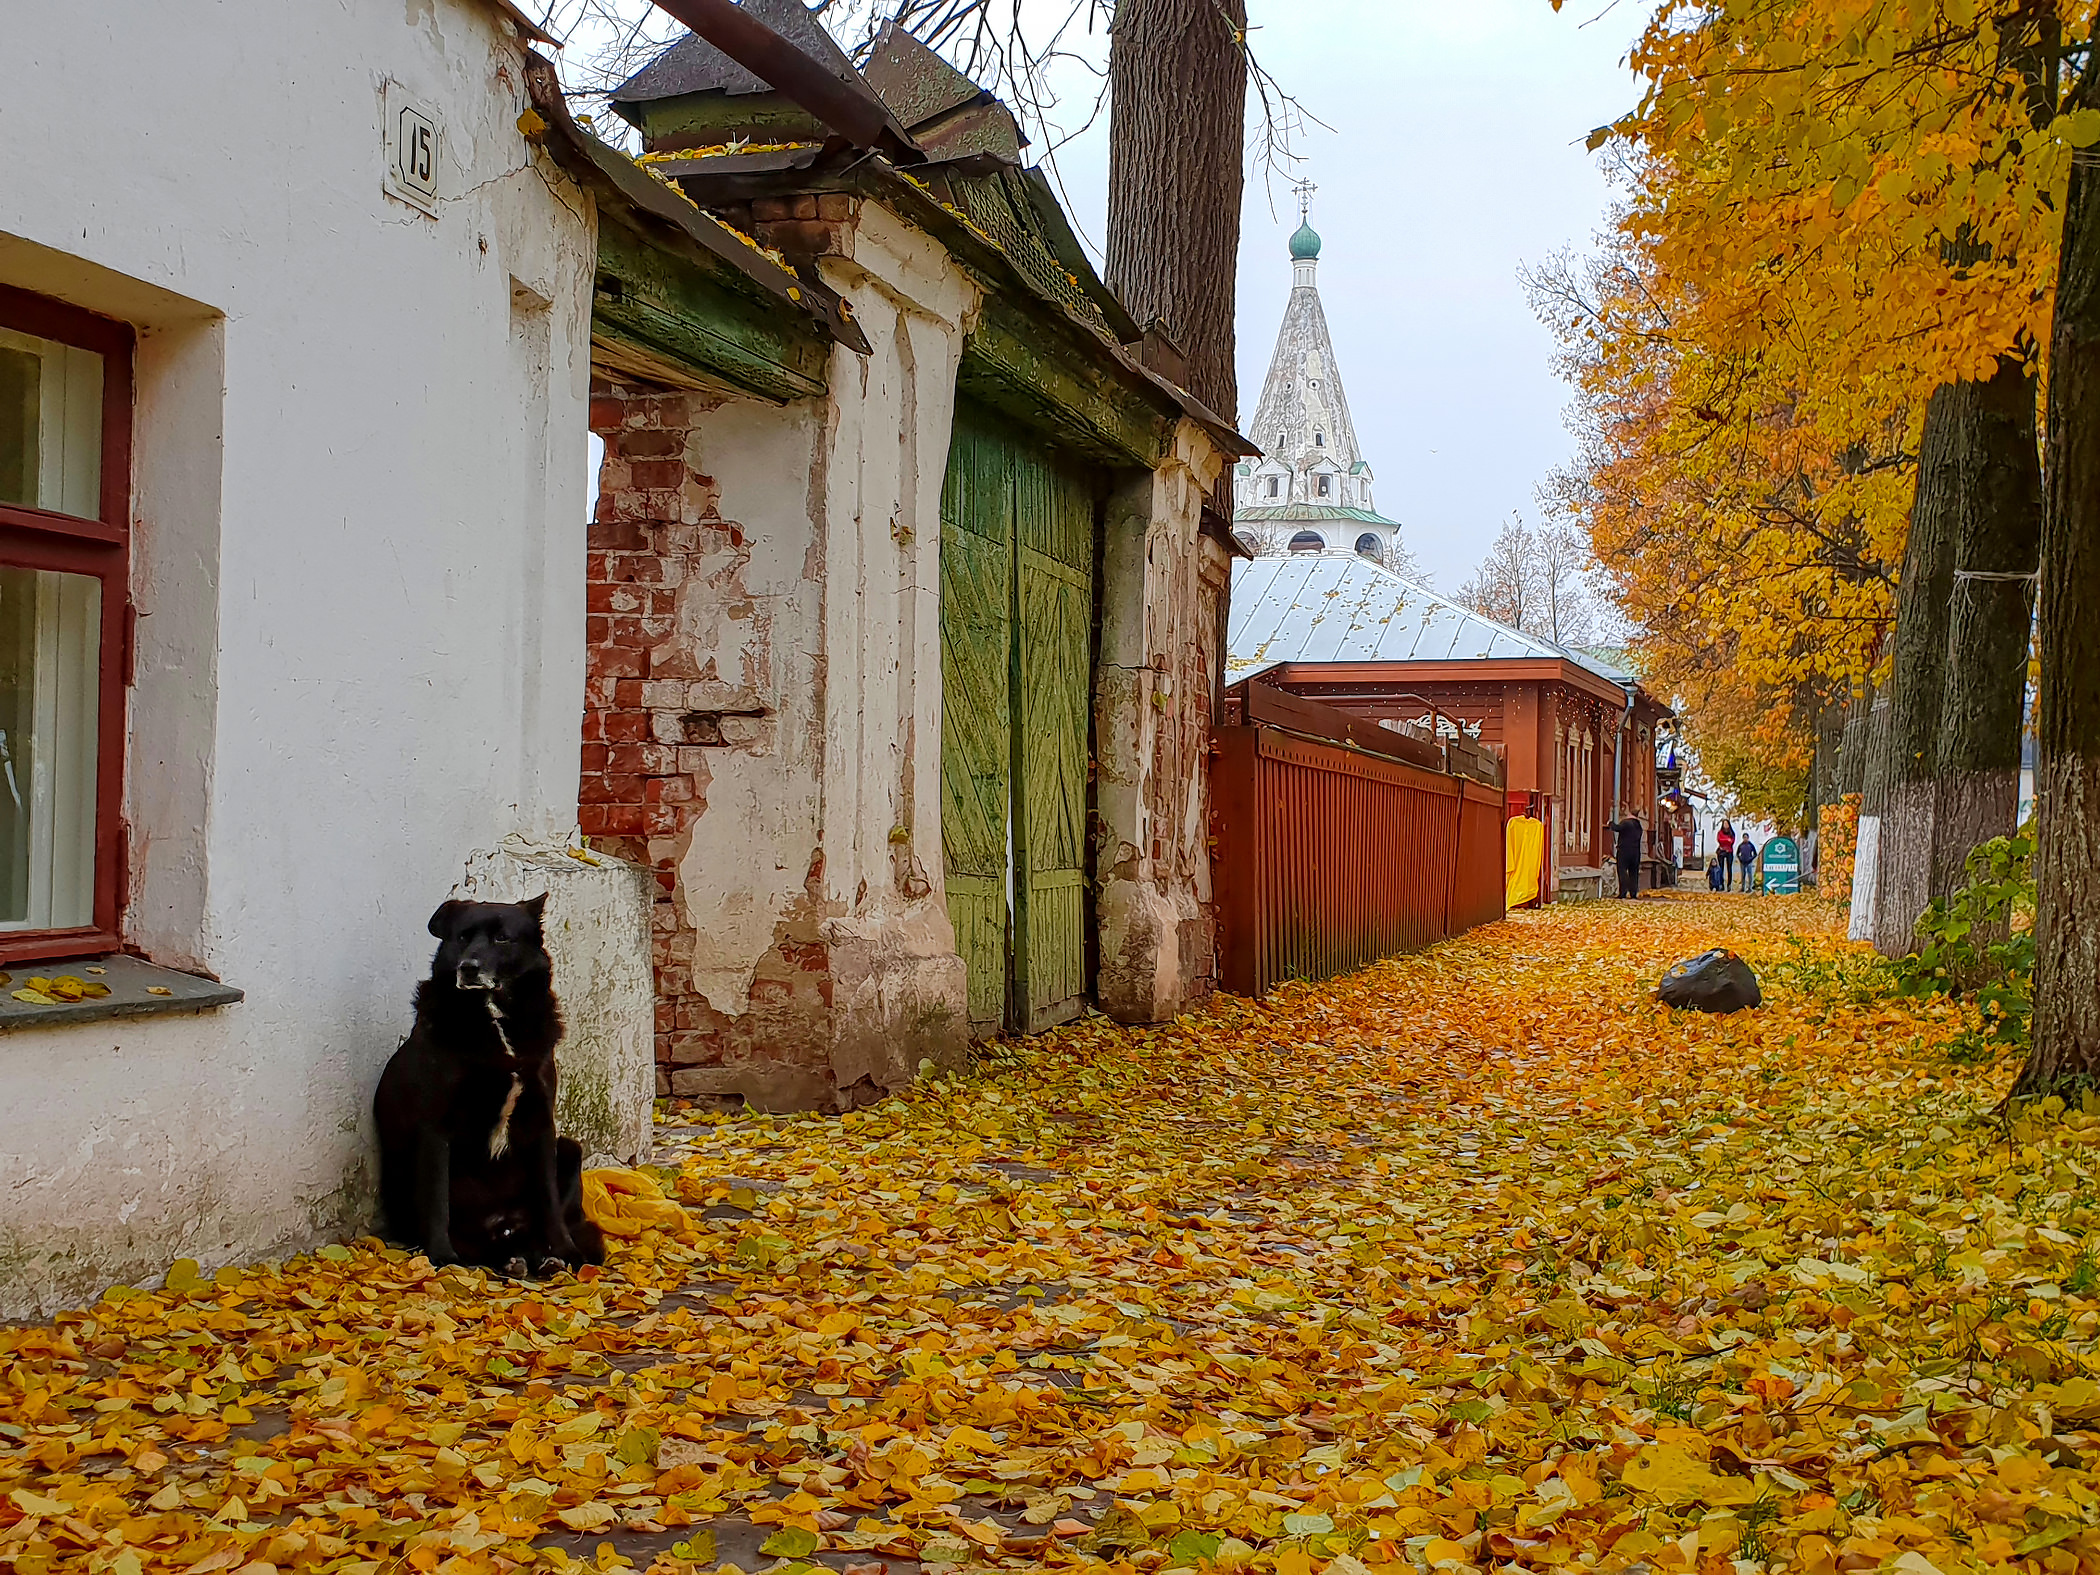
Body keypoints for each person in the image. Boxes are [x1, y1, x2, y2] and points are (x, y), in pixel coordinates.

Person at [1615, 811, 1644, 899]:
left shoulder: (1626, 823)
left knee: (1622, 870)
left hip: (1624, 851)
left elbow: (1617, 828)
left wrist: (1610, 824)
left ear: (1629, 814)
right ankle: (1633, 893)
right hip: (1636, 852)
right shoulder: (1639, 826)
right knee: (1634, 873)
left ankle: (1623, 892)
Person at [1715, 818, 1737, 889]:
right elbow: (1719, 840)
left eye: (1727, 823)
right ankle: (1721, 884)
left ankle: (1729, 884)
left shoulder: (1732, 832)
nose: (1725, 825)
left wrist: (1726, 841)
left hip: (1729, 851)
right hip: (1721, 851)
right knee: (1721, 868)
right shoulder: (1720, 832)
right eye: (1724, 824)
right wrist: (1727, 839)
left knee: (1729, 868)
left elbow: (1732, 842)